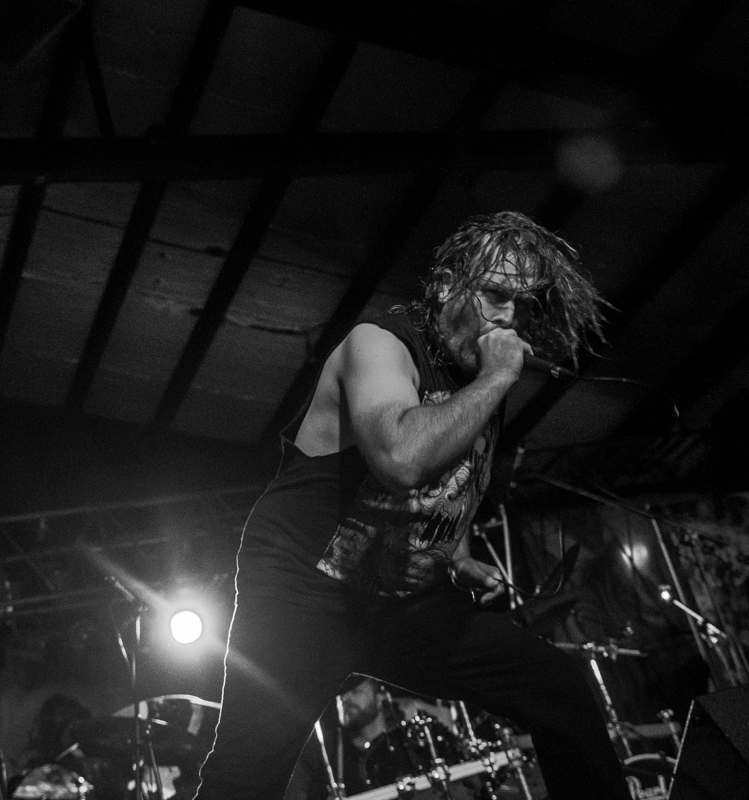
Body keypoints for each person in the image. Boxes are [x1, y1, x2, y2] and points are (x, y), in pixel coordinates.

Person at [196, 211, 629, 799]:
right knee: (242, 782)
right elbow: (400, 459)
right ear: (447, 285)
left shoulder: (474, 377)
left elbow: (448, 481)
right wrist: (498, 378)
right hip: (303, 592)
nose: (510, 318)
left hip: (398, 604)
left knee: (557, 685)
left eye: (525, 305)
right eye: (496, 295)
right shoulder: (379, 344)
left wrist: (456, 554)